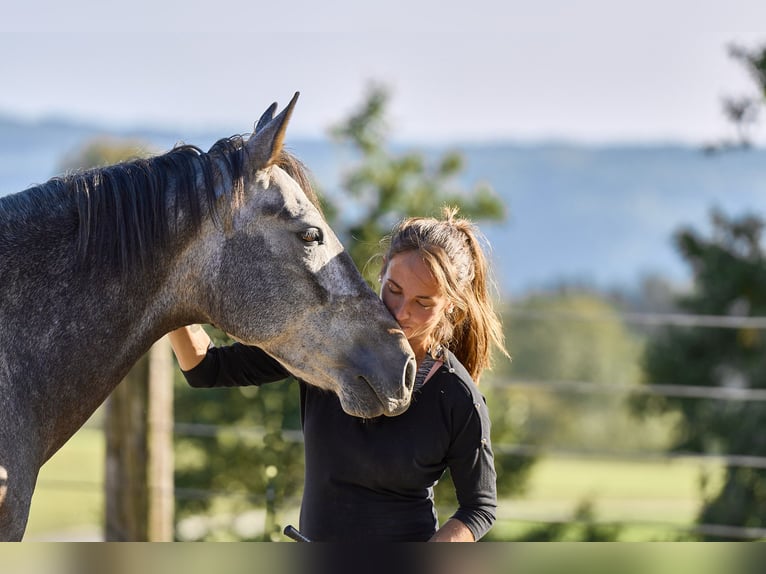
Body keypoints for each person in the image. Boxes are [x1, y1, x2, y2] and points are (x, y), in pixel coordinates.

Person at [169, 206, 508, 542]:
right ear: (382, 273)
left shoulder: (458, 396)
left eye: (423, 303)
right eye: (394, 290)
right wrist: (172, 290)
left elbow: (479, 506)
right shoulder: (326, 348)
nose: (402, 312)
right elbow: (206, 367)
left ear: (451, 303)